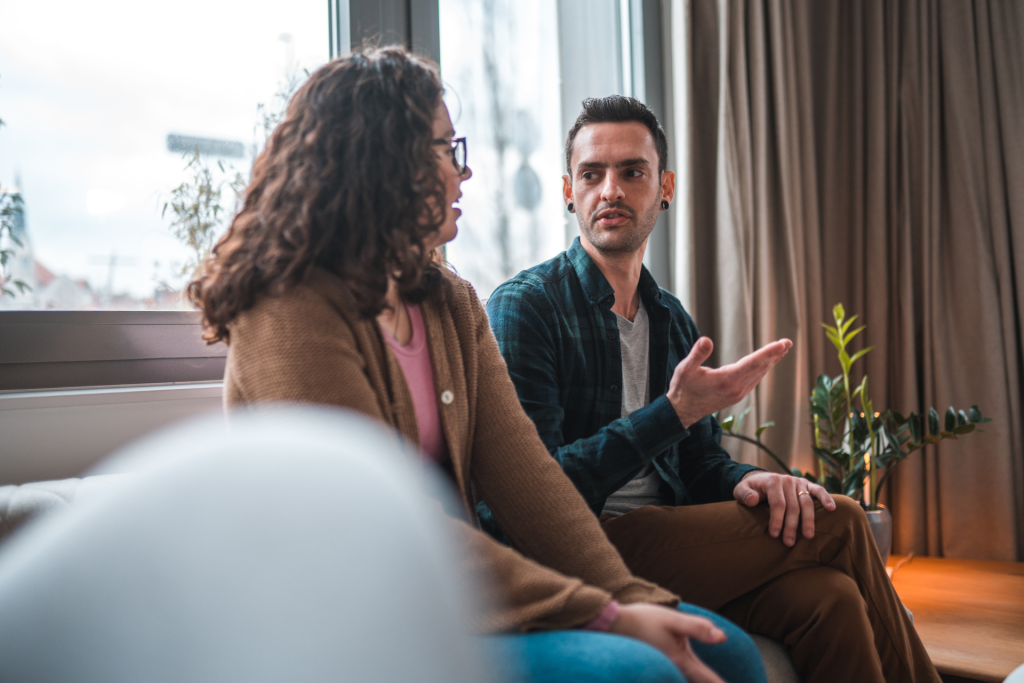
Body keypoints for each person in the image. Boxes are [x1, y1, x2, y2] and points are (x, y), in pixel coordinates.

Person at [187, 47, 766, 683]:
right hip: (358, 625)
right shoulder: (289, 307)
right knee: (638, 671)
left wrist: (630, 599)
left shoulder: (450, 303)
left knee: (727, 652)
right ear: (382, 162)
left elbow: (531, 482)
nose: (463, 173)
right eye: (446, 151)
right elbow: (384, 526)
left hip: (458, 603)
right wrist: (602, 616)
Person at [484, 95, 941, 683]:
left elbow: (700, 465)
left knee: (831, 600)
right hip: (583, 546)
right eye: (591, 174)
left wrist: (748, 479)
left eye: (632, 172)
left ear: (665, 187)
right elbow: (534, 490)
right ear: (569, 191)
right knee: (843, 519)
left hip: (669, 540)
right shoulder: (527, 307)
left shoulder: (670, 318)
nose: (610, 190)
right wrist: (669, 414)